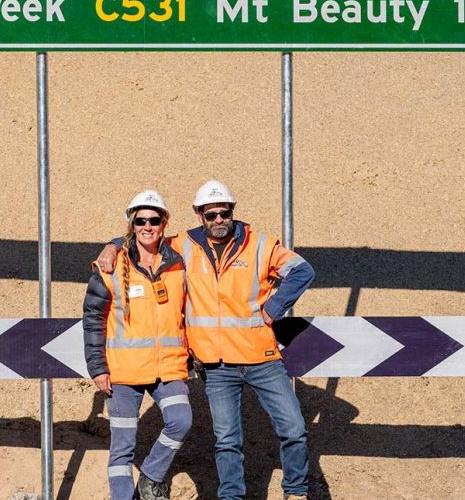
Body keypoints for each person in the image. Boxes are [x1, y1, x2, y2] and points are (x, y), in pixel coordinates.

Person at [98, 180, 315, 500]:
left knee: (294, 430)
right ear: (198, 214)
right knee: (227, 441)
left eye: (223, 213)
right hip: (216, 365)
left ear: (232, 212)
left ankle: (295, 492)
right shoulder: (184, 245)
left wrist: (274, 308)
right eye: (210, 214)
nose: (218, 220)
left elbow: (302, 270)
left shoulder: (260, 244)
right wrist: (113, 244)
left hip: (262, 358)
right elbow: (145, 237)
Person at [83, 189, 193, 500]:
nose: (147, 226)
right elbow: (93, 319)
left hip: (167, 368)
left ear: (164, 222)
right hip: (123, 372)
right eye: (140, 220)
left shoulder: (179, 262)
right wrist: (97, 367)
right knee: (122, 449)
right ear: (132, 223)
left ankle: (150, 477)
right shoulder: (112, 265)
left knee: (181, 421)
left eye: (154, 220)